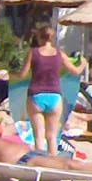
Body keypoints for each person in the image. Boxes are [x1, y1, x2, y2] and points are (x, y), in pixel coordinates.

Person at [20, 24, 68, 157]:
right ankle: (52, 165)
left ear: (39, 37)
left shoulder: (33, 53)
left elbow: (23, 74)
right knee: (52, 136)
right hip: (55, 96)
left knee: (38, 136)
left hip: (36, 94)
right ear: (52, 38)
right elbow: (75, 70)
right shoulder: (60, 54)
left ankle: (40, 164)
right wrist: (83, 63)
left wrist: (12, 74)